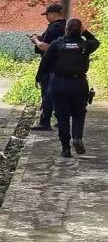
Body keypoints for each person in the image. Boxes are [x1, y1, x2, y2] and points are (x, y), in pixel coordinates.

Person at [36, 17, 100, 158]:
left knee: (62, 116)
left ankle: (66, 148)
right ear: (80, 30)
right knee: (79, 113)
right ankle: (77, 137)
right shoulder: (85, 44)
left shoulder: (57, 44)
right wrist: (85, 32)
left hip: (59, 83)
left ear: (66, 30)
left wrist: (39, 77)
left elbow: (45, 62)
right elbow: (96, 42)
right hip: (79, 83)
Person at [30, 3, 66, 131]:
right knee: (60, 95)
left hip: (50, 65)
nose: (46, 17)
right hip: (63, 65)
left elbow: (45, 47)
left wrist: (36, 41)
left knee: (47, 94)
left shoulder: (53, 28)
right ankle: (62, 120)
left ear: (52, 14)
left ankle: (45, 122)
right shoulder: (66, 26)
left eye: (47, 15)